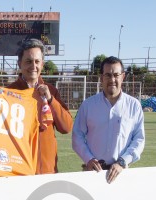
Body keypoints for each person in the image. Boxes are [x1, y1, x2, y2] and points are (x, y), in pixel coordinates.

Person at [72, 56, 145, 184]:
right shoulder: (88, 105)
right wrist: (89, 159)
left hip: (122, 173)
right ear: (101, 78)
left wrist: (123, 162)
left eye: (116, 75)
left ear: (123, 76)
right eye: (108, 75)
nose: (112, 80)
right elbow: (77, 135)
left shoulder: (134, 105)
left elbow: (139, 139)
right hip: (93, 173)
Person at [8, 38, 73, 174]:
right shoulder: (9, 93)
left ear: (42, 64)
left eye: (37, 61)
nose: (33, 66)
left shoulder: (52, 91)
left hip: (47, 172)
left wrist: (50, 100)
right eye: (28, 61)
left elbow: (66, 127)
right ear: (19, 63)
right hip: (18, 172)